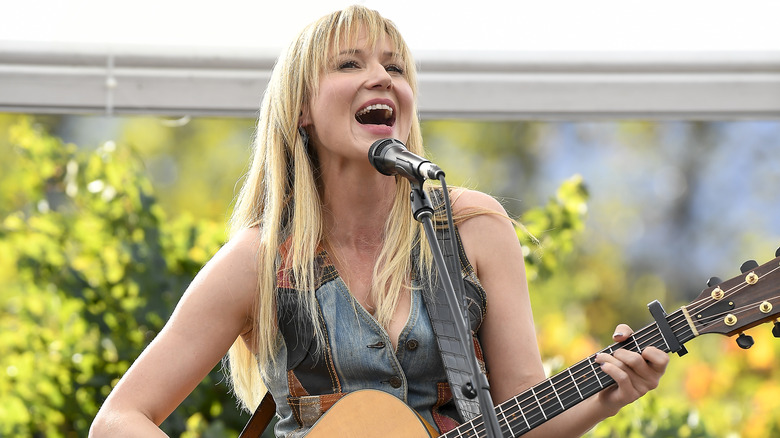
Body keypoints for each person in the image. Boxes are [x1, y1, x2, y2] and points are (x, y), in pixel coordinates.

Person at [89, 5, 668, 437]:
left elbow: (521, 413)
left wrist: (609, 395)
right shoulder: (262, 261)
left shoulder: (472, 230)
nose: (382, 77)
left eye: (395, 67)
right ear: (300, 110)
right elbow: (118, 419)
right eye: (349, 64)